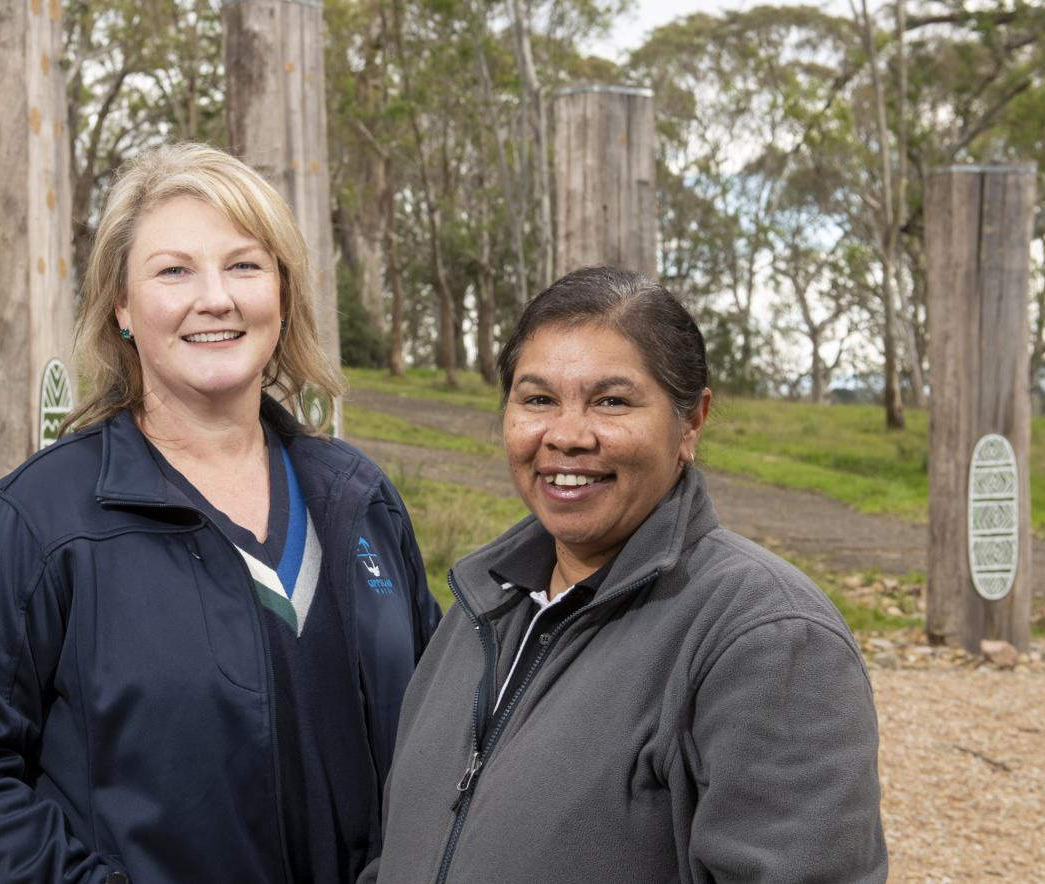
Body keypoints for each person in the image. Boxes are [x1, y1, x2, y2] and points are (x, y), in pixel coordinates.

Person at [0, 143, 442, 884]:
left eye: (244, 264)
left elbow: (441, 727)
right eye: (174, 270)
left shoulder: (357, 499)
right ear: (122, 306)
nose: (215, 297)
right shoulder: (38, 523)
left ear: (282, 293)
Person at [363, 267, 886, 884]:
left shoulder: (766, 639)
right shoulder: (480, 608)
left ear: (690, 423)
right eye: (537, 399)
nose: (566, 435)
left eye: (611, 401)